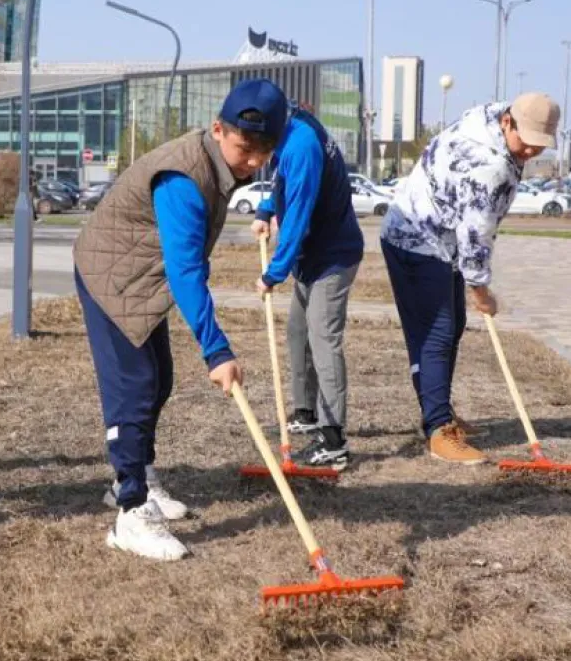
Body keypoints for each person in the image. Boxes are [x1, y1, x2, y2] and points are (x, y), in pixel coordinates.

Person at [74, 79, 285, 561]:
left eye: (263, 152)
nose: (252, 162)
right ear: (218, 129)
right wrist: (217, 350)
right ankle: (129, 512)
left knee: (159, 379)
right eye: (244, 148)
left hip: (142, 276)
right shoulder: (184, 177)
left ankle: (140, 478)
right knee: (134, 385)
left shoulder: (218, 163)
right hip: (111, 275)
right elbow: (186, 271)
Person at [380, 92, 559, 465]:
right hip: (418, 239)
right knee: (437, 332)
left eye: (538, 146)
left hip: (435, 239)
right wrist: (481, 291)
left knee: (451, 326)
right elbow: (475, 234)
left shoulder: (490, 119)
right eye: (525, 141)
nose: (529, 151)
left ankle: (438, 409)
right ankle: (439, 430)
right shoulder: (488, 165)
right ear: (508, 122)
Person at [249, 101, 364, 470]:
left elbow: (296, 219)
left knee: (323, 338)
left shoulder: (302, 145)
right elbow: (287, 183)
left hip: (332, 258)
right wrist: (266, 208)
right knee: (298, 331)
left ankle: (334, 439)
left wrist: (273, 274)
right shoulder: (293, 128)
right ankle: (306, 412)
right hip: (312, 258)